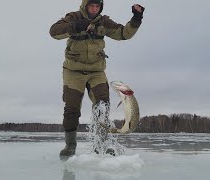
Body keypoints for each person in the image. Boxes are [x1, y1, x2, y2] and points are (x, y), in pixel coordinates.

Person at [49, 0, 144, 157]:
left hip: (96, 71)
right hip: (73, 71)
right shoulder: (73, 17)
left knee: (103, 105)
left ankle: (101, 144)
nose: (94, 9)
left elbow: (123, 33)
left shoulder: (103, 21)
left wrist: (137, 17)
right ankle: (70, 146)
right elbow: (54, 32)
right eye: (91, 6)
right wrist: (75, 26)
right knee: (72, 108)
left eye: (97, 6)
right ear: (85, 5)